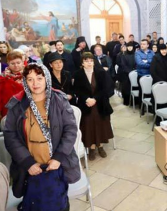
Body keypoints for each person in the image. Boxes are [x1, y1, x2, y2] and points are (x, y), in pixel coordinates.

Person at [3, 63, 80, 209]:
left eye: (39, 78)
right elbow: (10, 135)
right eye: (30, 79)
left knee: (57, 203)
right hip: (30, 168)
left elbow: (70, 130)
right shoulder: (17, 104)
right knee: (34, 203)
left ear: (47, 79)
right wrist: (28, 163)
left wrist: (58, 158)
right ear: (25, 81)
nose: (35, 83)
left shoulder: (59, 100)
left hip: (55, 165)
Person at [73, 52, 114, 161]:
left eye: (91, 60)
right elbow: (77, 90)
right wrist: (87, 99)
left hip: (100, 102)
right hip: (85, 103)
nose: (89, 63)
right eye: (86, 61)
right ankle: (91, 147)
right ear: (82, 62)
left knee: (100, 121)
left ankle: (100, 146)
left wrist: (95, 99)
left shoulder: (101, 73)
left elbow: (104, 89)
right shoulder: (78, 74)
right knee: (88, 122)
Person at [150, 44, 167, 125]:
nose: (164, 51)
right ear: (159, 50)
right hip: (158, 84)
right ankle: (158, 119)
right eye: (162, 50)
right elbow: (153, 72)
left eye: (165, 49)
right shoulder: (155, 58)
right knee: (159, 101)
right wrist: (163, 82)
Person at [0, 51, 25, 118]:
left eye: (18, 63)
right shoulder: (3, 77)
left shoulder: (29, 75)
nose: (16, 65)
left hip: (26, 109)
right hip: (8, 111)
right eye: (12, 63)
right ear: (8, 63)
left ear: (22, 62)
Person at [135, 39, 155, 109]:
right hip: (141, 75)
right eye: (141, 44)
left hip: (151, 75)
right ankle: (142, 108)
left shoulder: (152, 52)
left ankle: (150, 108)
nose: (142, 45)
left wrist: (146, 61)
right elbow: (139, 63)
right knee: (142, 92)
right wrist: (149, 63)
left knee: (151, 91)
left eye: (144, 44)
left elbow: (154, 62)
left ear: (148, 45)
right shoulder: (138, 53)